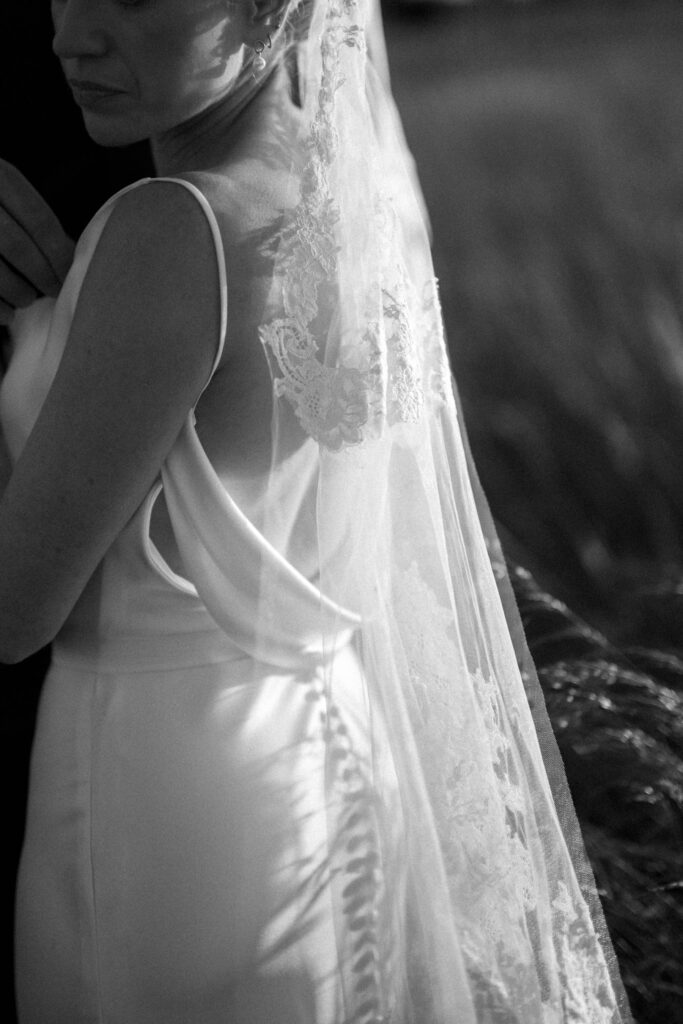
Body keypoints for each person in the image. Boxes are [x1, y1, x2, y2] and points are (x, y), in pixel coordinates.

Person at [0, 0, 633, 1022]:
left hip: (157, 799)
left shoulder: (170, 229)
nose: (72, 35)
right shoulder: (357, 193)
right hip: (322, 749)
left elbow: (13, 607)